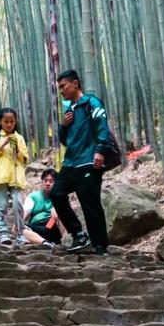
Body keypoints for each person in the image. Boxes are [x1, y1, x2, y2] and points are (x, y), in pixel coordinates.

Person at [52, 69, 110, 255]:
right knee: (56, 193)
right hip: (70, 163)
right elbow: (65, 141)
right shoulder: (70, 110)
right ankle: (78, 233)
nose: (61, 91)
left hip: (88, 161)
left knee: (89, 203)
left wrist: (100, 151)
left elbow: (102, 127)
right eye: (59, 87)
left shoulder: (91, 103)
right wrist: (64, 126)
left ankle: (100, 246)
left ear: (75, 84)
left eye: (64, 86)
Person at [0, 107, 28, 246]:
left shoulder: (19, 138)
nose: (9, 124)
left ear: (15, 122)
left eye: (12, 121)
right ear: (0, 122)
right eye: (6, 121)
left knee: (18, 204)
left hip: (15, 175)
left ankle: (20, 233)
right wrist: (1, 146)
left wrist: (17, 149)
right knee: (1, 205)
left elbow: (25, 159)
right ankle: (2, 232)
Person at [23, 168, 62, 248]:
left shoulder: (60, 196)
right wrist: (19, 223)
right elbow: (25, 211)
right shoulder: (33, 196)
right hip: (35, 228)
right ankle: (44, 242)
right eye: (45, 181)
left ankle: (65, 244)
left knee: (61, 214)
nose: (48, 184)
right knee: (17, 228)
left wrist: (57, 208)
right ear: (42, 182)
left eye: (51, 181)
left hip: (51, 225)